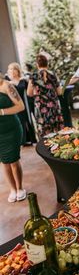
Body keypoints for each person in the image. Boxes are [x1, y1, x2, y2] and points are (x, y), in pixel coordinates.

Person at [0, 73, 27, 202]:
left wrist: (1, 112)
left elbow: (21, 106)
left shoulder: (7, 85)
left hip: (11, 130)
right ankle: (12, 189)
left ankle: (20, 188)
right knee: (4, 162)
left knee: (14, 161)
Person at [27, 54, 64, 138]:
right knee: (56, 130)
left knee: (44, 130)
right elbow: (59, 92)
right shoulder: (53, 75)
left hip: (40, 106)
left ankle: (44, 149)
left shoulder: (33, 76)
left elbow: (29, 93)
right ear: (47, 64)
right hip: (53, 106)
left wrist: (38, 93)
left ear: (37, 64)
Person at [6, 62, 36, 145]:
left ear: (17, 70)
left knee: (28, 120)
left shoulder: (23, 80)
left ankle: (31, 139)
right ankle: (22, 140)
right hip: (15, 105)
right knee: (19, 121)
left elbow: (30, 92)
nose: (12, 71)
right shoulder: (7, 82)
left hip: (26, 103)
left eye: (14, 69)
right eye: (10, 69)